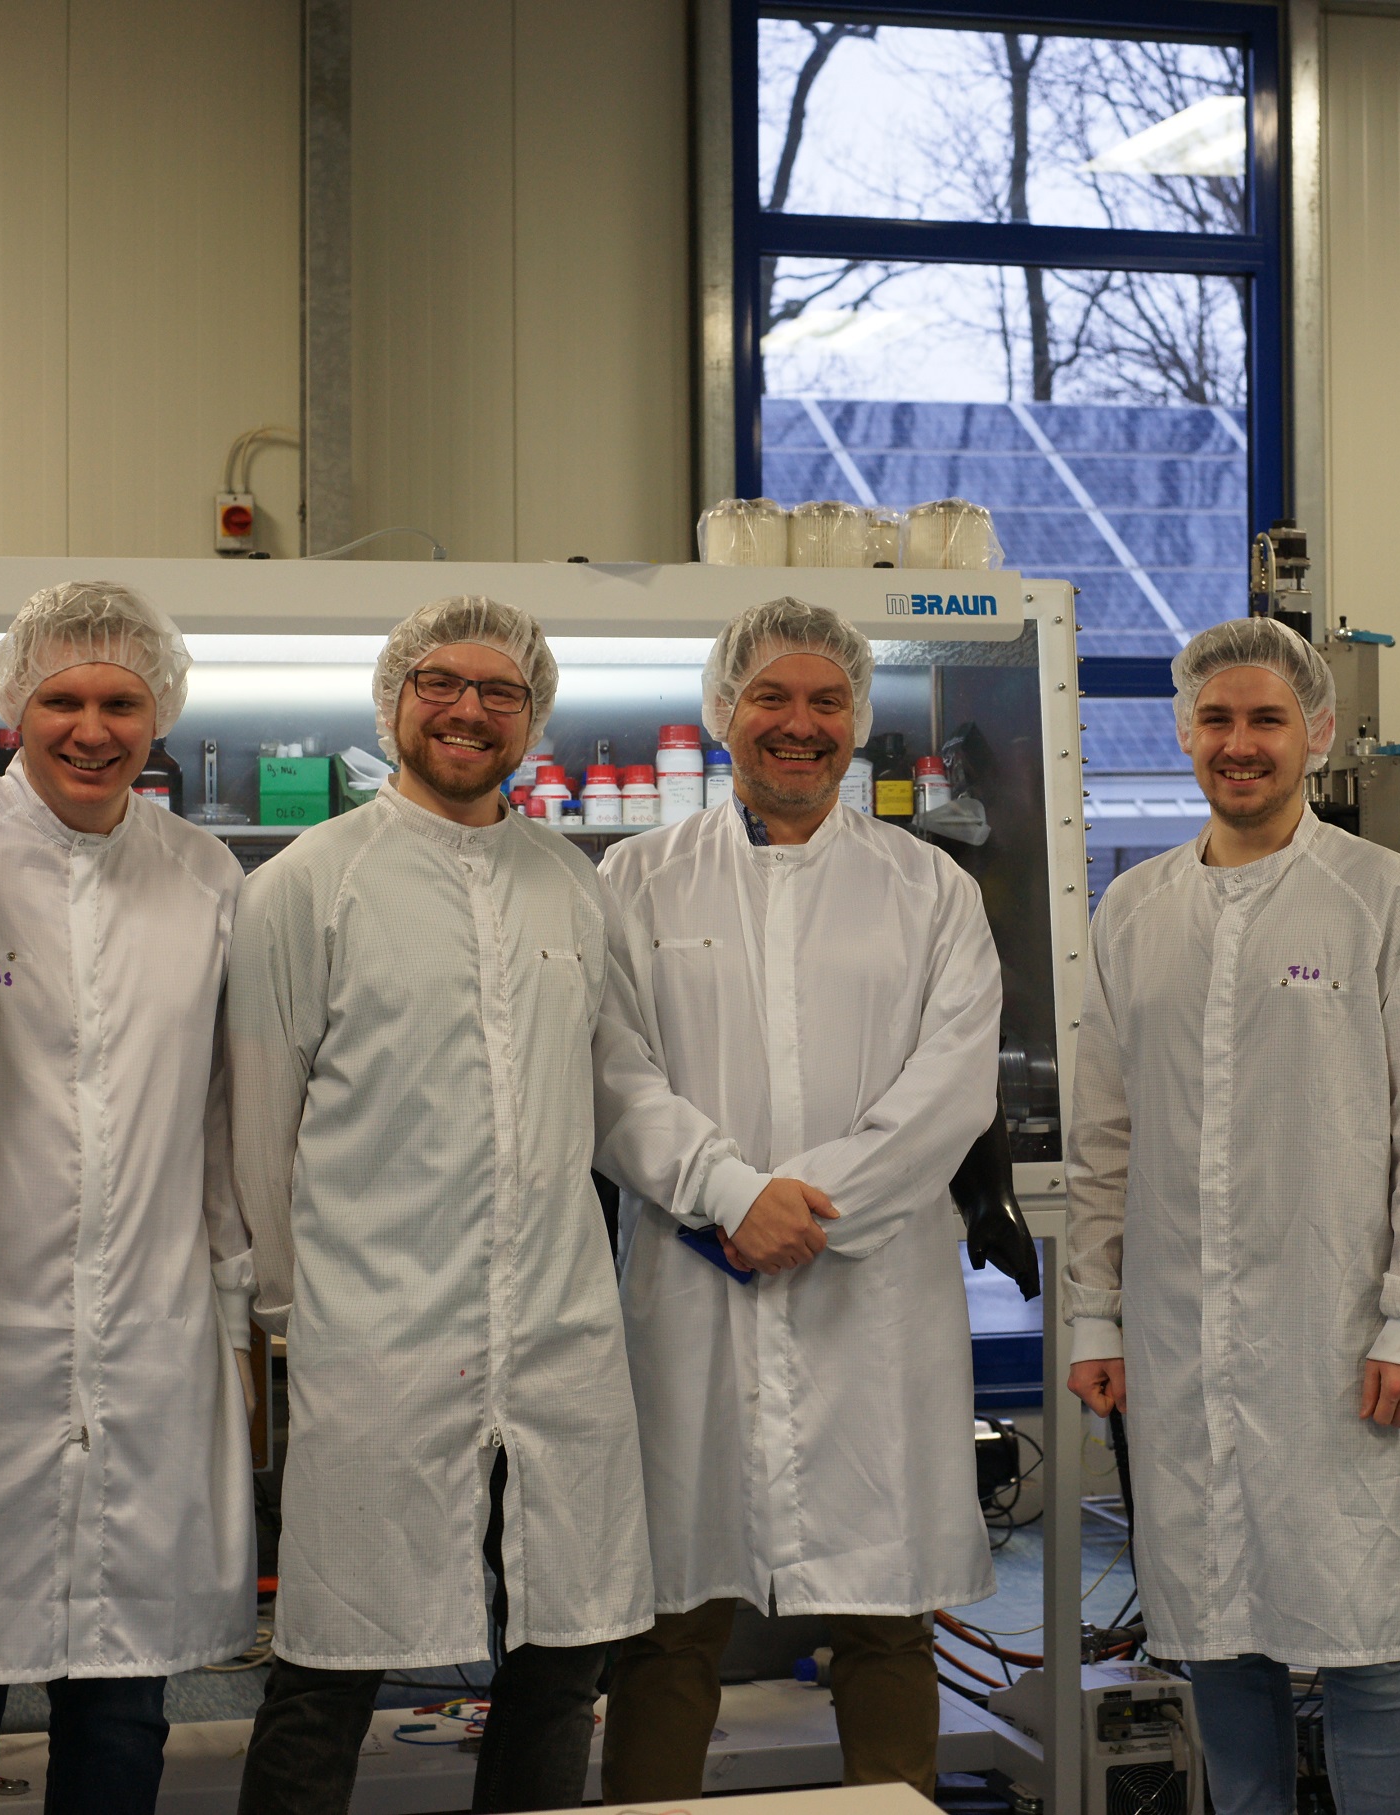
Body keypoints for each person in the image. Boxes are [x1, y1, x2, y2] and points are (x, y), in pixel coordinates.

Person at [227, 595, 733, 1815]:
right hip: (378, 1334)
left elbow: (615, 1088)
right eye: (441, 684)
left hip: (557, 1330)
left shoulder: (572, 884)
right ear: (394, 699)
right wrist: (289, 1315)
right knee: (331, 1657)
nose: (468, 710)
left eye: (500, 691)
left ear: (531, 715)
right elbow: (260, 1126)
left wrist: (726, 1187)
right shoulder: (309, 884)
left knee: (563, 1650)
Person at [1062, 616, 1400, 1815]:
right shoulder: (1133, 908)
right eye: (1216, 720)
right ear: (1183, 732)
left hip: (1337, 1329)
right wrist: (1095, 1315)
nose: (1238, 744)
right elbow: (1103, 1133)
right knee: (1215, 1619)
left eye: (1265, 720)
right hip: (1177, 1335)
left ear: (1317, 735)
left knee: (1364, 1629)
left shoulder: (1376, 894)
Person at [594, 598, 1003, 1800]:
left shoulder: (929, 889)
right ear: (723, 711)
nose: (799, 723)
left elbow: (951, 1086)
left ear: (857, 721)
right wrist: (727, 1193)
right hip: (692, 1295)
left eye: (827, 701)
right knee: (670, 1623)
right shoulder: (635, 879)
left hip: (868, 1298)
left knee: (885, 1617)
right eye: (770, 696)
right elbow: (610, 1072)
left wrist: (801, 1207)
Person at [0, 583, 257, 1815]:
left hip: (149, 1341)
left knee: (124, 1703)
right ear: (14, 707)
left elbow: (223, 1109)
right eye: (63, 700)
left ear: (160, 717)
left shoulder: (204, 876)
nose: (92, 730)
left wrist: (237, 1295)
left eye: (121, 703)